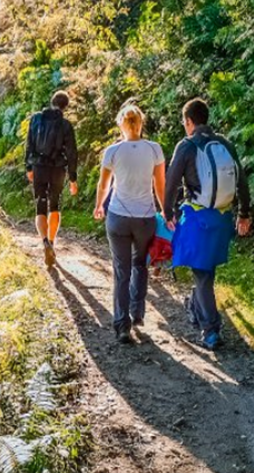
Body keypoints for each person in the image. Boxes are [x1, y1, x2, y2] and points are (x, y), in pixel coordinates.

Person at [164, 98, 251, 350]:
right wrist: (244, 213)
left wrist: (168, 212)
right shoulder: (224, 143)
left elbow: (171, 182)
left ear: (189, 121)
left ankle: (211, 330)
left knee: (202, 274)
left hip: (198, 217)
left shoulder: (187, 145)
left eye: (184, 122)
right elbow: (242, 181)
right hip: (222, 218)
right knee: (206, 270)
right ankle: (195, 305)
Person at [93, 104, 166, 344]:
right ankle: (138, 313)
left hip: (118, 217)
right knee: (140, 265)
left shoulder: (112, 151)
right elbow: (160, 185)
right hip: (145, 217)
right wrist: (165, 211)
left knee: (121, 271)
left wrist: (99, 205)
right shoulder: (154, 149)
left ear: (121, 124)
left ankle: (122, 325)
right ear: (141, 123)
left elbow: (103, 185)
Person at [26, 90, 79, 267]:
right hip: (58, 169)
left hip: (39, 167)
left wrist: (28, 167)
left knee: (40, 205)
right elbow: (72, 153)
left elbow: (29, 144)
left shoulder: (35, 119)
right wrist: (73, 178)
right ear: (65, 106)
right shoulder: (65, 125)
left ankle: (44, 243)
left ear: (52, 102)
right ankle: (52, 241)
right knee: (54, 205)